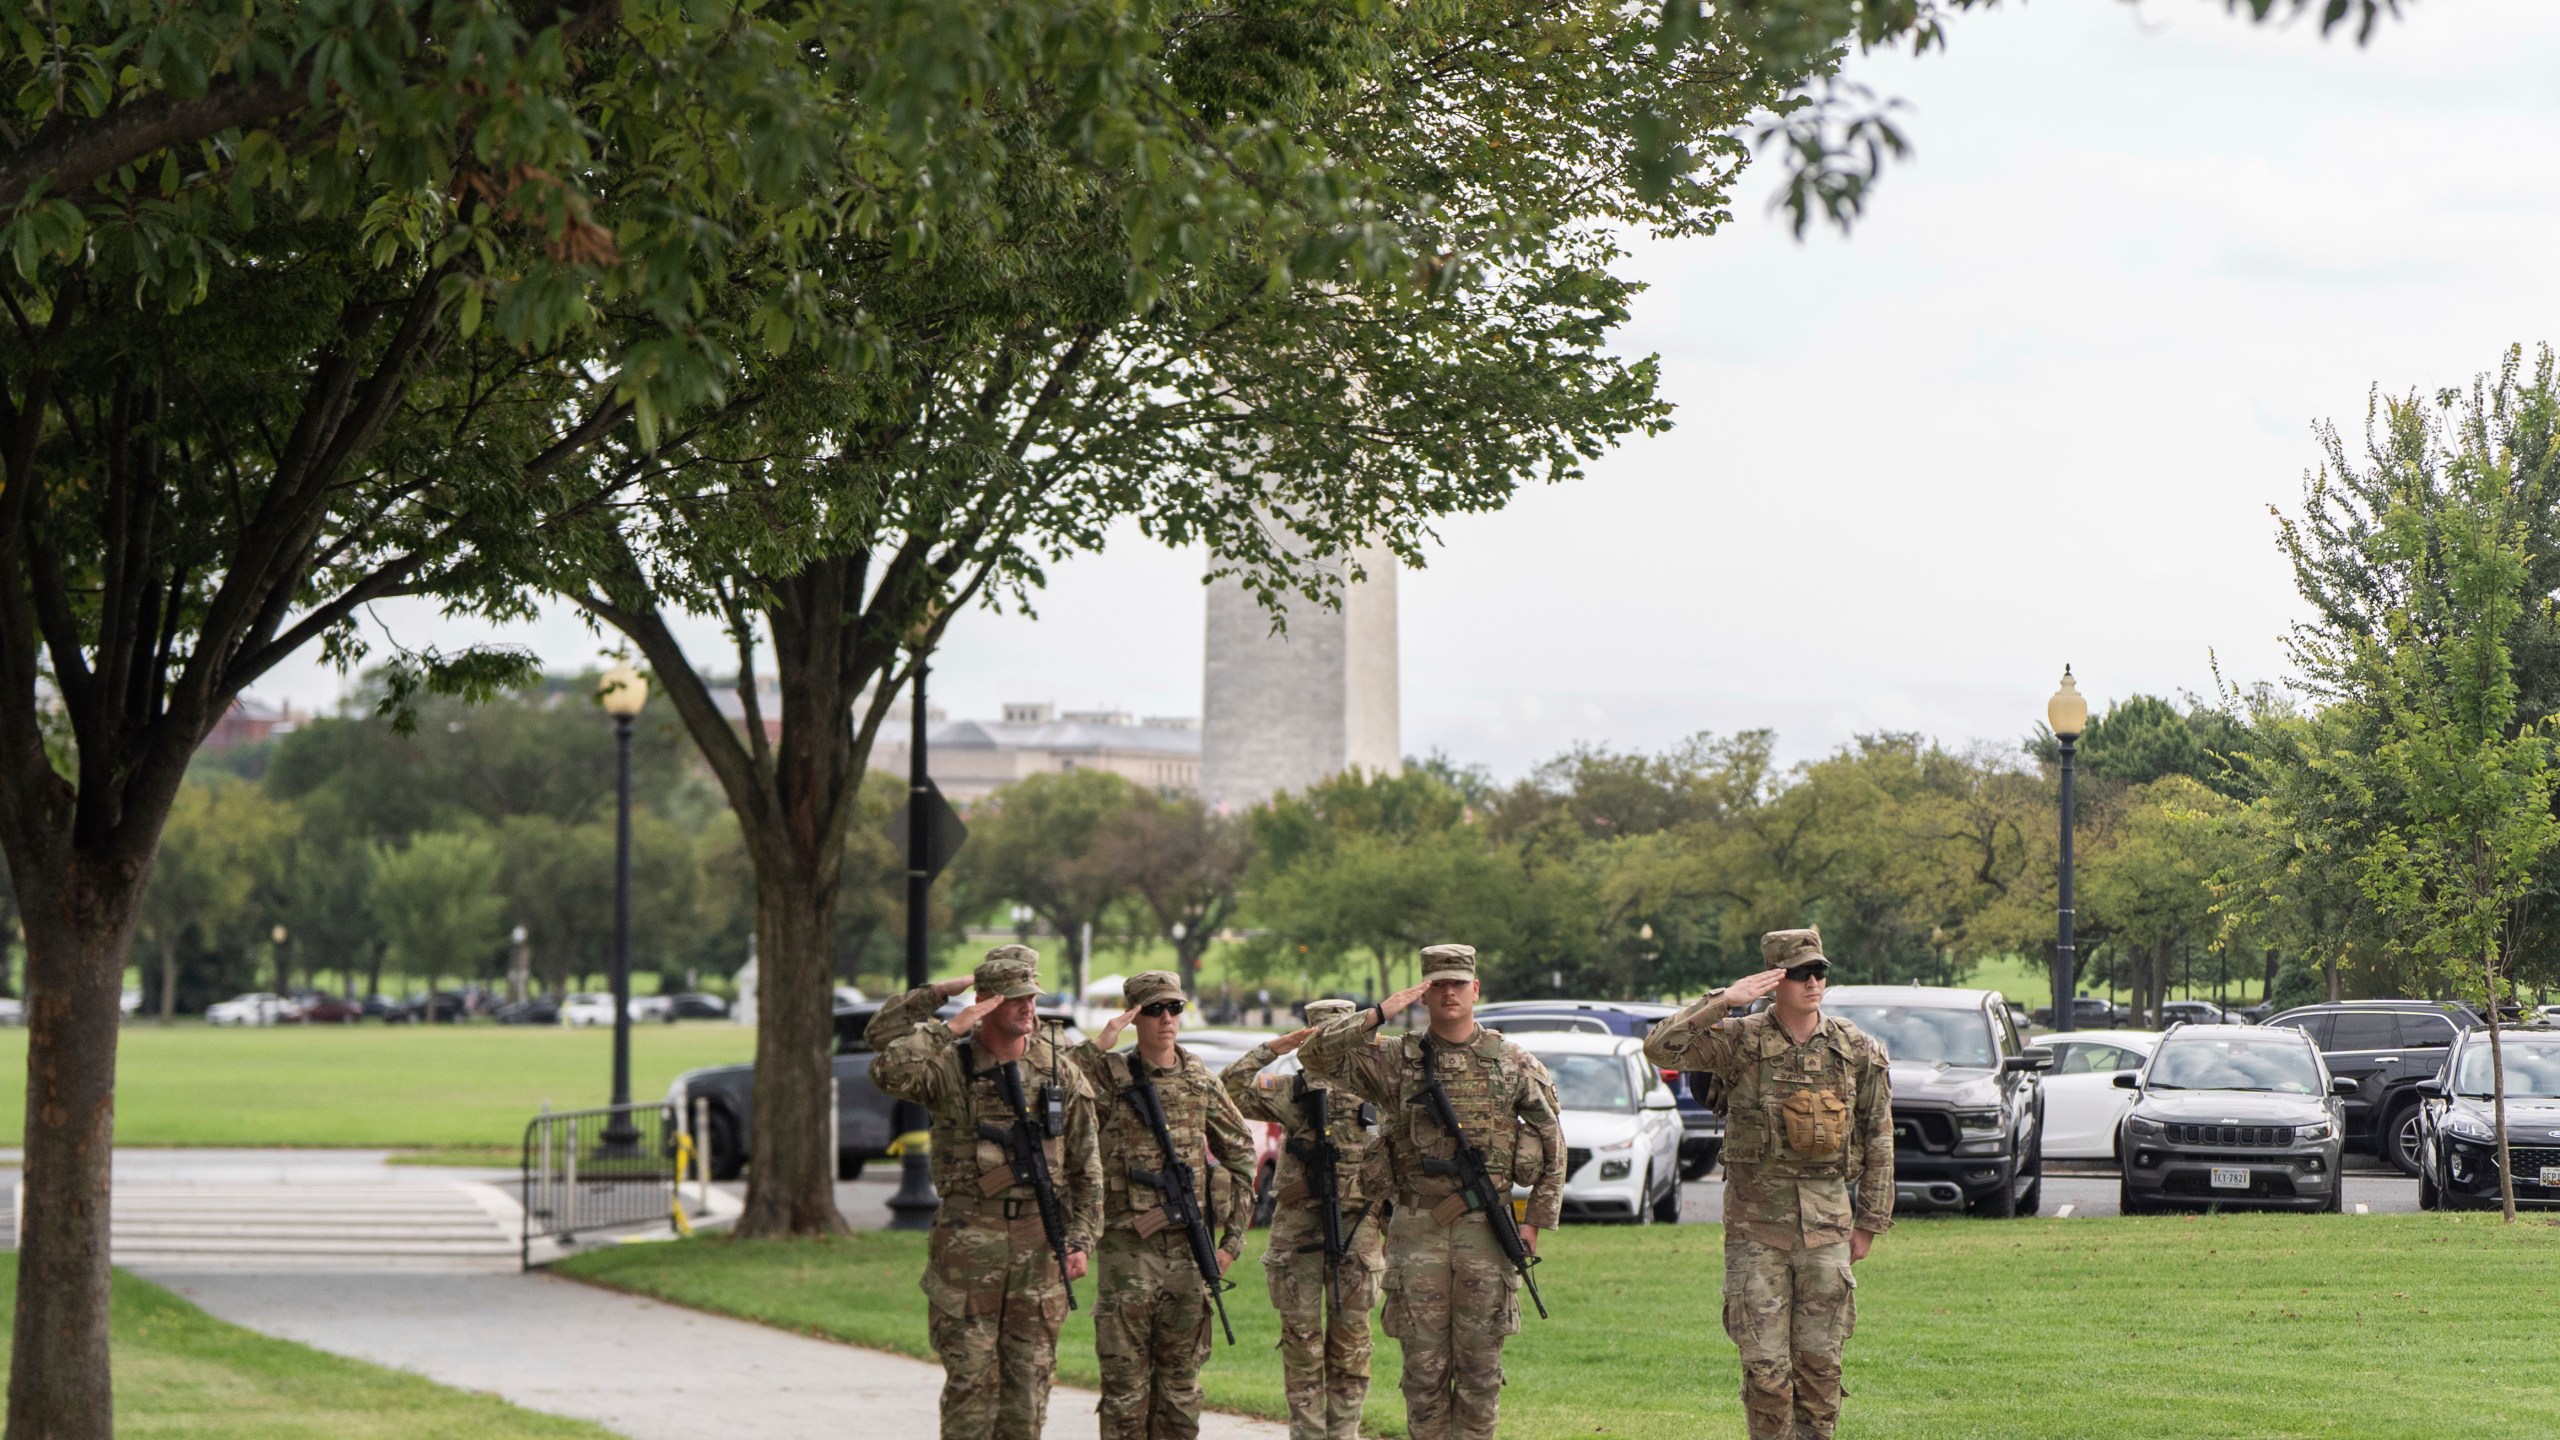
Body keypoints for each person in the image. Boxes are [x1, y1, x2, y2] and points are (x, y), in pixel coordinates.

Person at [1298, 945, 1565, 1440]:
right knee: (1422, 1375)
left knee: (1481, 1373)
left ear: (1475, 990)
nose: (1448, 993)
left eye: (1457, 984)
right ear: (1423, 993)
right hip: (1417, 1229)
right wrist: (1379, 1013)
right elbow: (1313, 1053)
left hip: (1488, 1231)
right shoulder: (1395, 1059)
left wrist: (1534, 1223)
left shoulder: (1511, 1062)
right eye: (1437, 984)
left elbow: (1553, 1143)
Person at [1641, 927, 1894, 1440]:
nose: (1814, 982)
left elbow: (1879, 1136)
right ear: (1775, 979)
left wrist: (1869, 1223)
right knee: (1765, 1371)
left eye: (1820, 972)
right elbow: (1659, 1048)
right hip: (1756, 1230)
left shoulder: (1854, 1046)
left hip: (1827, 1229)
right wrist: (1725, 1000)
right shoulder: (1740, 1040)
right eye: (1801, 973)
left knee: (1821, 1369)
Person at [870, 945, 1103, 1440]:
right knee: (970, 1390)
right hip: (967, 1249)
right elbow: (886, 1062)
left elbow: (1088, 1169)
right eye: (1015, 998)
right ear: (986, 1001)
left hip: (1041, 1250)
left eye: (1031, 997)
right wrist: (940, 1009)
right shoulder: (948, 1064)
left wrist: (1081, 1240)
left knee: (1028, 1396)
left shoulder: (1059, 1070)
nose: (1028, 1007)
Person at [1065, 970, 1257, 1440]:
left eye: (1174, 1008)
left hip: (1189, 1254)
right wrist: (1101, 1041)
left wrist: (1232, 1239)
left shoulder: (1200, 1081)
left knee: (1181, 1387)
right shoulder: (1108, 1078)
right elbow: (1050, 1080)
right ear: (1134, 1017)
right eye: (1153, 1010)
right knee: (1125, 1388)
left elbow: (1242, 1155)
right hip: (1128, 1251)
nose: (1166, 1019)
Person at [1218, 999, 1389, 1440]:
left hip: (1360, 1227)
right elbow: (1226, 1088)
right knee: (1301, 1343)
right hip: (1298, 1228)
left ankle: (1344, 1432)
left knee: (1352, 1344)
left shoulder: (1378, 1088)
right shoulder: (1289, 1089)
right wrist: (1271, 1049)